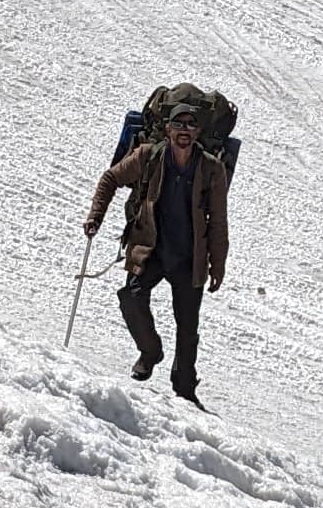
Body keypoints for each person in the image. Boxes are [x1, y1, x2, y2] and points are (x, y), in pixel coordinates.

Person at [85, 94, 229, 403]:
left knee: (188, 327)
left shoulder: (211, 169)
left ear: (198, 133)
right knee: (131, 299)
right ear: (167, 129)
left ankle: (185, 386)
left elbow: (218, 220)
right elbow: (111, 178)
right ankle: (150, 352)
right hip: (150, 248)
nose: (185, 130)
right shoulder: (148, 156)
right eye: (179, 124)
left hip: (190, 257)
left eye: (191, 126)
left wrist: (218, 264)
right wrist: (96, 216)